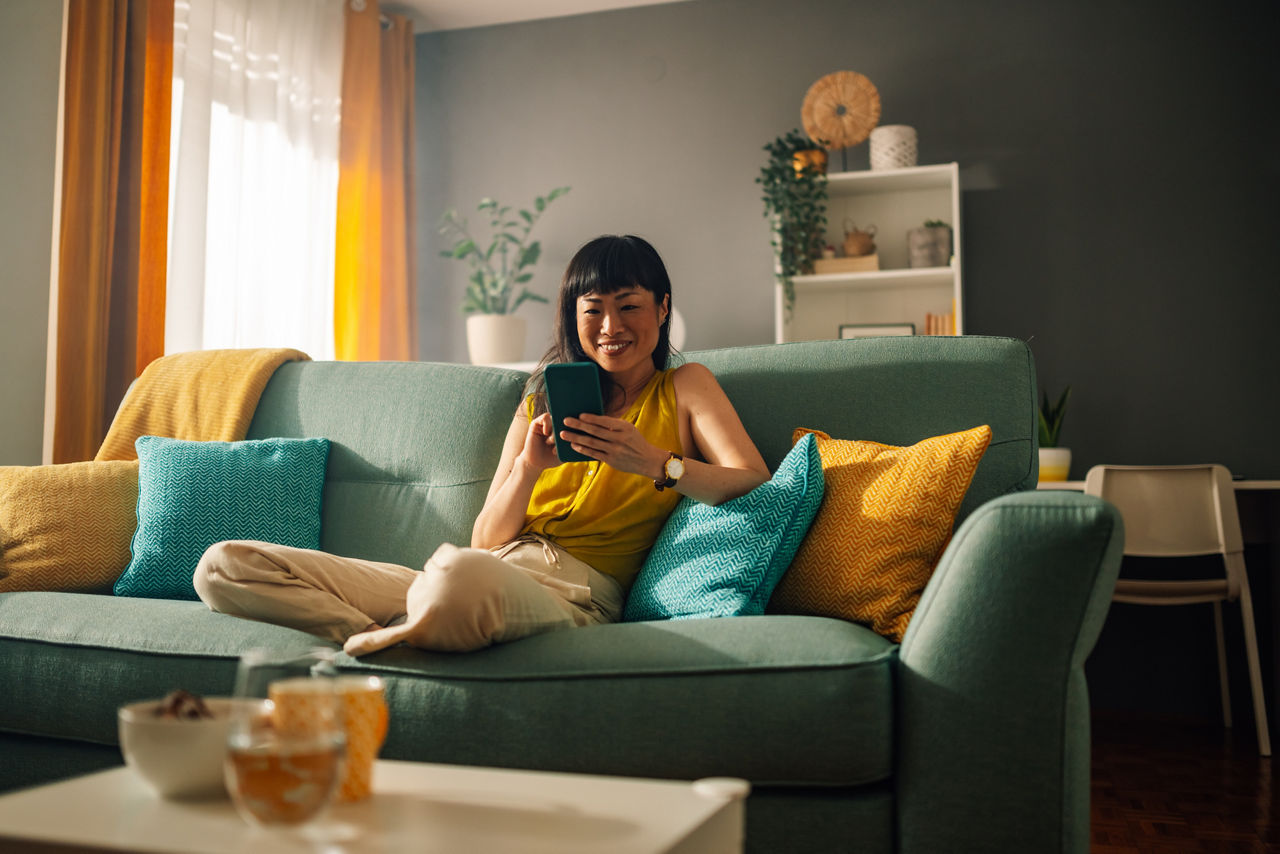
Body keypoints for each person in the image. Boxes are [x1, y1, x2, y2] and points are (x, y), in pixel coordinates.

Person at [194, 235, 769, 655]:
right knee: (224, 566)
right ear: (574, 317)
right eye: (593, 309)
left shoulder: (686, 387)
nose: (610, 325)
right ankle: (386, 636)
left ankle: (426, 618)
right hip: (483, 570)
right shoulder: (542, 395)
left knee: (458, 580)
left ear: (663, 308)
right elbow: (485, 540)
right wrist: (527, 468)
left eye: (629, 305)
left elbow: (751, 479)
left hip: (575, 595)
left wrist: (653, 462)